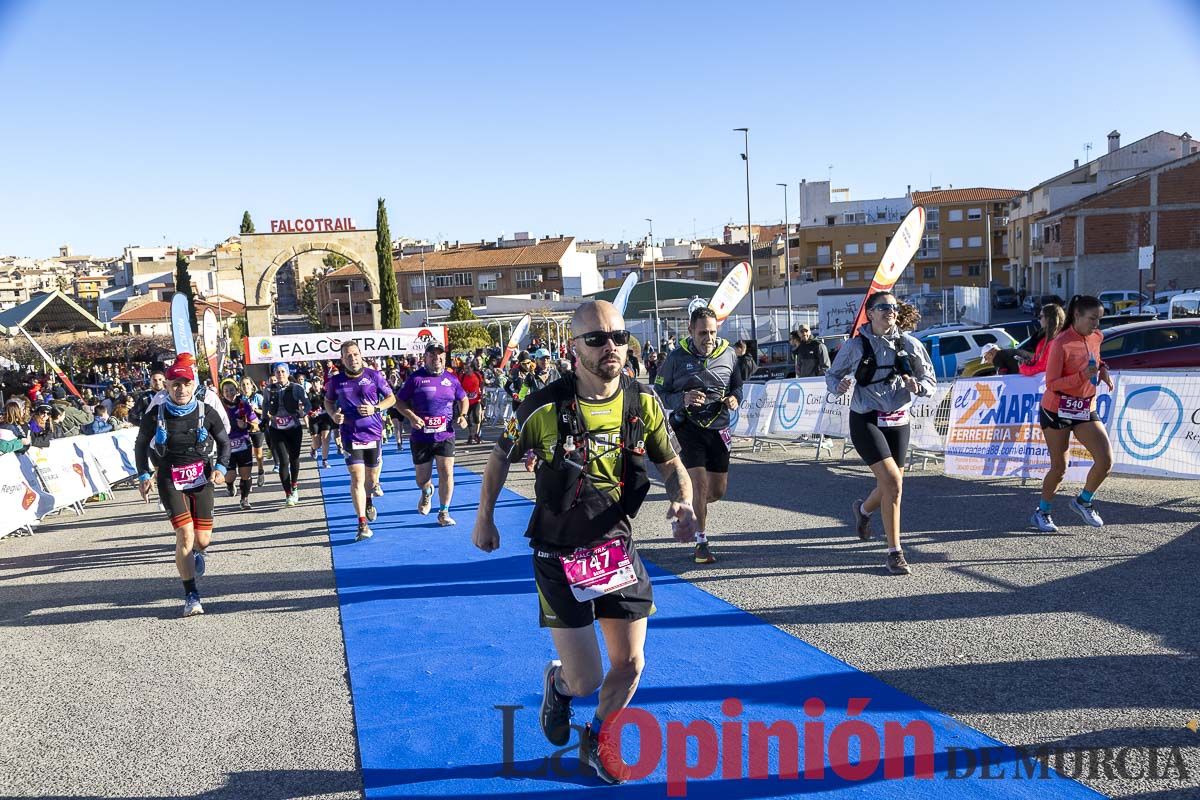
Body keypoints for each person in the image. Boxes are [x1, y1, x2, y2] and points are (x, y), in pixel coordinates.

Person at [472, 300, 696, 786]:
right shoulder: (543, 405)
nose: (610, 346)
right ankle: (559, 684)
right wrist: (484, 517)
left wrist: (682, 502)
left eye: (618, 336)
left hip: (615, 548)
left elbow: (673, 465)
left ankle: (598, 737)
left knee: (631, 663)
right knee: (587, 680)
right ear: (573, 349)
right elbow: (499, 457)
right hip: (558, 554)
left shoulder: (643, 401)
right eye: (596, 339)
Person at [827, 291, 937, 575]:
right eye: (883, 307)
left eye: (893, 307)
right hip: (866, 418)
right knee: (893, 483)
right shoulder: (854, 346)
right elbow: (832, 374)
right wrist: (836, 386)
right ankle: (894, 552)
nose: (889, 311)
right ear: (870, 313)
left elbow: (930, 381)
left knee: (891, 484)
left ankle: (863, 510)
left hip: (898, 419)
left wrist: (918, 387)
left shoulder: (910, 344)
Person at [133, 354, 230, 617]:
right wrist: (144, 475)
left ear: (193, 384)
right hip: (169, 477)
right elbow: (141, 446)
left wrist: (221, 468)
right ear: (166, 385)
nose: (181, 389)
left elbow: (224, 442)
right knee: (185, 535)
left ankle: (197, 553)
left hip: (202, 477)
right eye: (175, 384)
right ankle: (191, 595)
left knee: (202, 539)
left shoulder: (206, 410)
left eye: (186, 383)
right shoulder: (155, 414)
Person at [653, 307, 743, 564]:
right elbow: (659, 392)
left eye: (713, 332)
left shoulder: (728, 354)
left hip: (718, 428)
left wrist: (735, 398)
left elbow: (737, 385)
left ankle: (687, 509)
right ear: (690, 330)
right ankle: (701, 543)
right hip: (688, 429)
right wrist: (682, 399)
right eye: (703, 332)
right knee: (700, 486)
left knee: (716, 491)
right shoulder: (676, 358)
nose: (709, 338)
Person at [1030, 295, 1114, 532]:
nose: (1096, 324)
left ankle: (1083, 501)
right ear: (1076, 315)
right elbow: (1052, 383)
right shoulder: (1061, 342)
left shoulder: (1097, 336)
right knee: (1059, 467)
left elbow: (1096, 359)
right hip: (1057, 409)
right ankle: (1042, 512)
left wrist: (1103, 369)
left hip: (1086, 407)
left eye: (1099, 319)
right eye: (1092, 318)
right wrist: (1082, 377)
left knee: (1106, 461)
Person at [326, 340, 395, 541]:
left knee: (371, 480)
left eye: (355, 354)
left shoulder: (374, 376)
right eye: (348, 356)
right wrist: (333, 415)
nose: (353, 358)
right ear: (342, 360)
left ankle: (369, 499)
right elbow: (328, 401)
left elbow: (391, 399)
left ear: (360, 355)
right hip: (350, 434)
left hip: (373, 434)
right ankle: (362, 523)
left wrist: (375, 408)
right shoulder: (336, 381)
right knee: (357, 477)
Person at [394, 342, 467, 527]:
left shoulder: (452, 379)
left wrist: (463, 415)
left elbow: (463, 398)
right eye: (432, 355)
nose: (437, 358)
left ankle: (444, 511)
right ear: (425, 357)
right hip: (421, 437)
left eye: (440, 355)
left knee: (447, 473)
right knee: (422, 479)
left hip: (445, 435)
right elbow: (399, 402)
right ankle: (427, 492)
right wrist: (411, 416)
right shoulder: (415, 379)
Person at [265, 362, 310, 507]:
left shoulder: (296, 388)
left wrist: (304, 412)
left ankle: (294, 485)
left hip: (293, 428)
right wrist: (265, 418)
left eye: (283, 371)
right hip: (277, 429)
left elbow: (307, 404)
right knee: (283, 461)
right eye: (277, 372)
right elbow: (265, 407)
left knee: (294, 459)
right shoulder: (269, 390)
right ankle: (288, 494)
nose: (280, 375)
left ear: (288, 373)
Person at [987, 303, 1064, 377]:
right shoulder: (1044, 338)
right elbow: (1039, 361)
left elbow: (1043, 367)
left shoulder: (1055, 340)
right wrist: (1028, 363)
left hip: (1049, 384)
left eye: (1040, 317)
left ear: (1049, 319)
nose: (1039, 319)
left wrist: (1023, 368)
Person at [220, 379, 258, 510]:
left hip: (243, 445)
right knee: (230, 476)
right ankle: (230, 485)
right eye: (226, 391)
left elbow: (256, 426)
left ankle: (244, 499)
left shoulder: (244, 405)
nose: (229, 393)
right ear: (222, 393)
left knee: (245, 474)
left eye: (232, 390)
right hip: (226, 447)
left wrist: (246, 425)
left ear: (237, 390)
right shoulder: (218, 407)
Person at [240, 376, 267, 486]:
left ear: (252, 385)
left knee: (258, 454)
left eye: (247, 384)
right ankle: (247, 479)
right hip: (244, 429)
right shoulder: (240, 399)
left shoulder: (258, 397)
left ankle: (261, 471)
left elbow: (266, 412)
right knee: (246, 455)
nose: (246, 387)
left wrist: (255, 409)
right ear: (240, 387)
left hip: (257, 428)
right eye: (243, 385)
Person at [306, 381, 336, 468]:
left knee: (326, 439)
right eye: (314, 384)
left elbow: (332, 402)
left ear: (320, 384)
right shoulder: (309, 394)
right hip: (314, 419)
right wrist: (311, 412)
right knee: (317, 443)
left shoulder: (325, 393)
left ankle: (324, 460)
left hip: (326, 418)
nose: (316, 385)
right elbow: (305, 407)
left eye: (317, 383)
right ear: (312, 385)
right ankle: (313, 448)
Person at [458, 360, 485, 445]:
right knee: (469, 419)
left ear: (472, 368)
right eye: (465, 368)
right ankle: (471, 435)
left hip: (476, 400)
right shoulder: (462, 377)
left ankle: (476, 434)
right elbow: (458, 387)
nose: (466, 370)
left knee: (477, 417)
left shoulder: (477, 375)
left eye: (468, 368)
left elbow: (482, 383)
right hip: (467, 402)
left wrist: (482, 394)